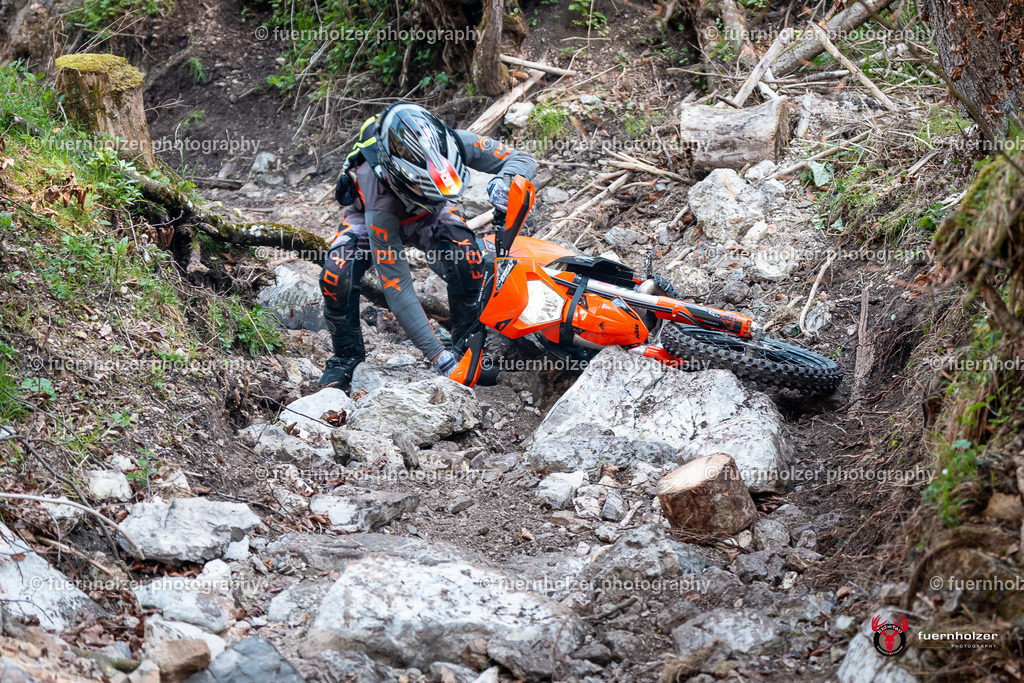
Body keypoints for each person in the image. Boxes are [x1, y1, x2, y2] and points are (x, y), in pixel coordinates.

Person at [318, 103, 537, 390]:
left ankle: (469, 351)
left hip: (429, 212)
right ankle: (345, 359)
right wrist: (438, 358)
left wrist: (505, 181)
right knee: (337, 275)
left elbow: (523, 159)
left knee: (467, 256)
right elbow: (397, 286)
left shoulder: (456, 141)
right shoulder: (378, 195)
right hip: (368, 215)